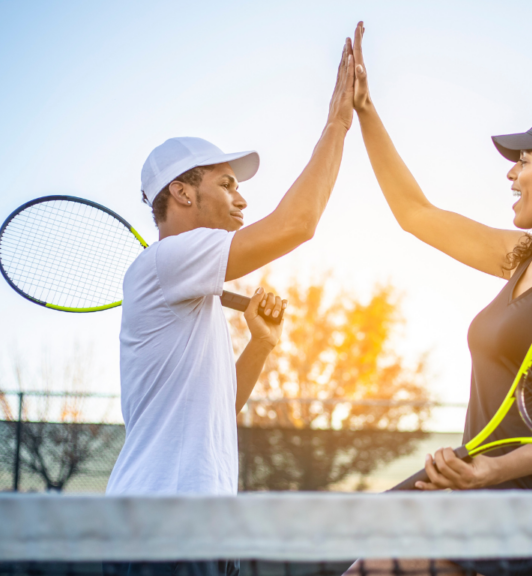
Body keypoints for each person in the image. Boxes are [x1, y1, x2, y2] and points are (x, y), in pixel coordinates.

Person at [348, 22, 532, 576]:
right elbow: (416, 213)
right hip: (478, 496)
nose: (510, 172)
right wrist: (365, 110)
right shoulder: (520, 257)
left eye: (524, 160)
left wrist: (490, 472)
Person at [104, 37, 357, 576]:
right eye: (226, 183)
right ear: (182, 193)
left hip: (206, 529)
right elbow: (298, 224)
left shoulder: (192, 290)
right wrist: (337, 123)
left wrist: (261, 344)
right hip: (162, 526)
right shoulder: (169, 261)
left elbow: (216, 408)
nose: (241, 198)